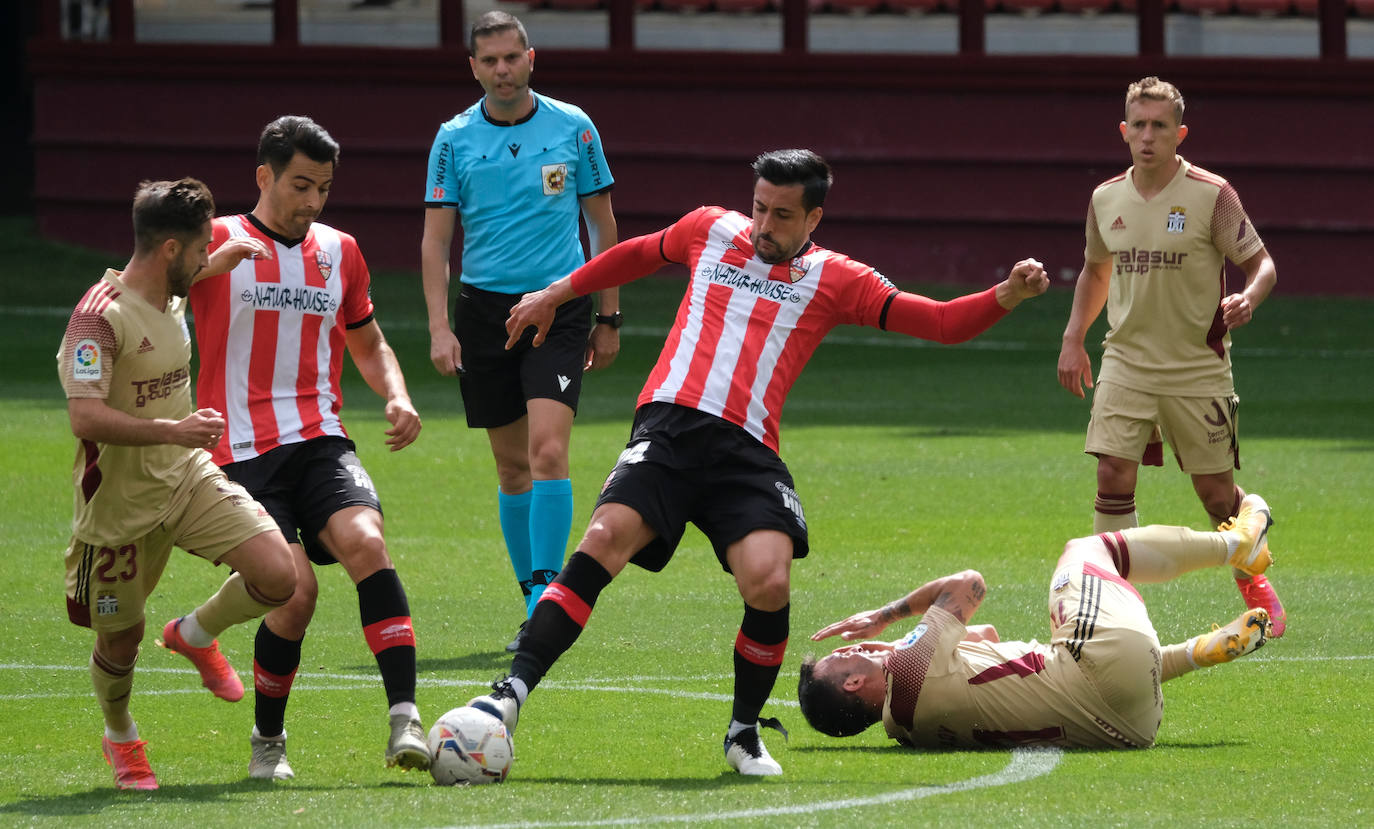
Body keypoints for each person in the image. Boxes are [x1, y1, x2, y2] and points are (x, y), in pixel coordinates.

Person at [465, 148, 1049, 776]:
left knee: (769, 581)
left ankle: (743, 732)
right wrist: (557, 292)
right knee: (605, 538)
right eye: (759, 207)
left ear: (813, 219)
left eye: (781, 215)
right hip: (668, 425)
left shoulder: (836, 277)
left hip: (747, 449)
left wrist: (1006, 294)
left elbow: (937, 322)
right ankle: (508, 697)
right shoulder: (710, 229)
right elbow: (638, 252)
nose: (763, 225)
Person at [188, 116, 427, 780]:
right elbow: (142, 293)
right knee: (293, 594)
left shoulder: (339, 250)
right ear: (263, 176)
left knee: (369, 544)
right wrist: (206, 266)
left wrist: (397, 394)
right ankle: (268, 740)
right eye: (300, 185)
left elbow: (367, 337)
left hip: (320, 437)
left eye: (323, 187)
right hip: (237, 449)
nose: (312, 201)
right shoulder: (216, 239)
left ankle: (405, 717)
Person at [58, 178, 298, 790]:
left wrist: (226, 258)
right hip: (117, 511)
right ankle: (122, 738)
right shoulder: (98, 320)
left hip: (186, 478)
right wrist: (175, 427)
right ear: (170, 249)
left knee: (278, 574)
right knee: (120, 644)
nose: (203, 260)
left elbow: (192, 279)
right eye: (198, 251)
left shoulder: (169, 290)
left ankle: (193, 634)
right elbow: (85, 417)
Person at [420, 11, 620, 653]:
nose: (503, 70)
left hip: (558, 307)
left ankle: (545, 600)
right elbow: (436, 240)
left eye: (513, 57)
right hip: (484, 314)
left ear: (532, 58)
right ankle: (531, 596)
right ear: (473, 68)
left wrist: (608, 316)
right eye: (490, 61)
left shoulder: (573, 127)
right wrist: (438, 328)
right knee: (511, 469)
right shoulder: (453, 140)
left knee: (548, 454)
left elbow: (604, 227)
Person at [1056, 76, 1284, 637]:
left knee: (1213, 494)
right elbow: (1095, 269)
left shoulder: (1211, 194)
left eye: (1160, 126)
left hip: (1196, 368)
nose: (1149, 135)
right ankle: (1117, 604)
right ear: (1124, 131)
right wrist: (1072, 337)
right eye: (1139, 125)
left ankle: (1251, 570)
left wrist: (1248, 297)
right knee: (1112, 475)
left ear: (1180, 134)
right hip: (1125, 363)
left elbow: (1263, 264)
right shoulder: (1106, 198)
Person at [797, 493, 1277, 749]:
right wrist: (886, 618)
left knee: (1066, 671)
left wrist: (900, 645)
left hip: (1131, 728)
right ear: (855, 682)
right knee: (1089, 550)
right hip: (1105, 664)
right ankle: (1237, 546)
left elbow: (985, 638)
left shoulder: (904, 732)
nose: (857, 647)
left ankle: (1194, 653)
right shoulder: (910, 668)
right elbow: (970, 583)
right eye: (849, 655)